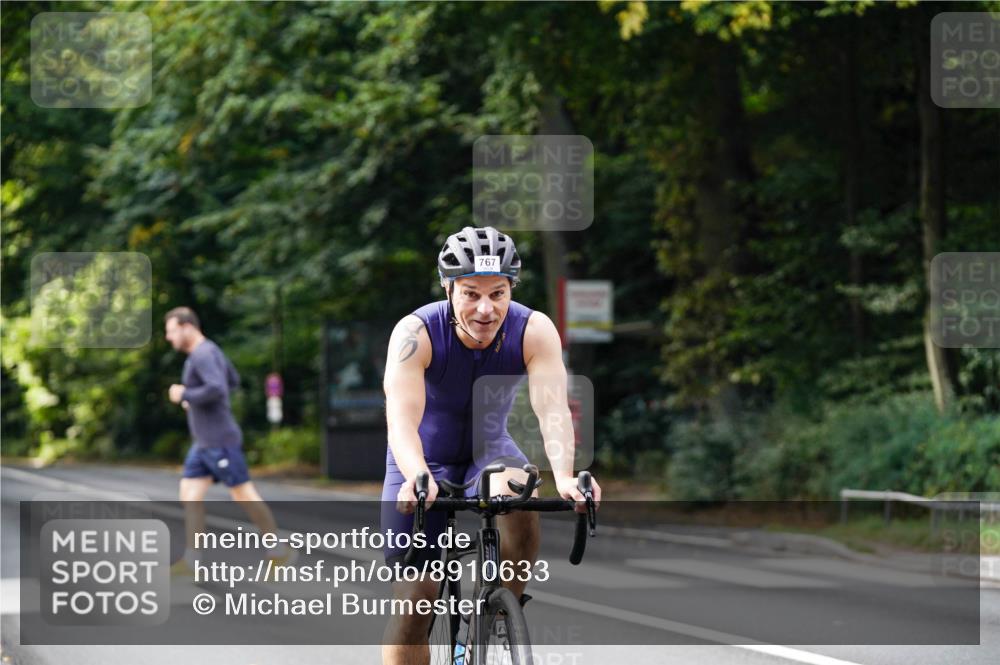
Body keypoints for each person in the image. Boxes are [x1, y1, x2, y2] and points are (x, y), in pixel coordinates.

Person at [380, 226, 602, 665]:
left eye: (498, 293)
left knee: (522, 490)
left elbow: (551, 407)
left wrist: (564, 477)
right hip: (422, 457)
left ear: (511, 288)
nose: (485, 309)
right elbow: (401, 417)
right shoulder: (415, 333)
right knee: (415, 603)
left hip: (489, 450)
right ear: (448, 288)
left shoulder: (534, 330)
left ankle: (504, 607)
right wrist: (416, 475)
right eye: (470, 293)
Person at [164, 306, 293, 575]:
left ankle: (278, 551)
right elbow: (231, 381)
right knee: (190, 493)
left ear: (187, 327)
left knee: (243, 494)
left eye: (172, 331)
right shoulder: (209, 351)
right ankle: (192, 561)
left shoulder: (202, 354)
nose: (169, 337)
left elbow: (218, 388)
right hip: (203, 442)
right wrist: (199, 401)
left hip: (219, 439)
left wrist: (186, 395)